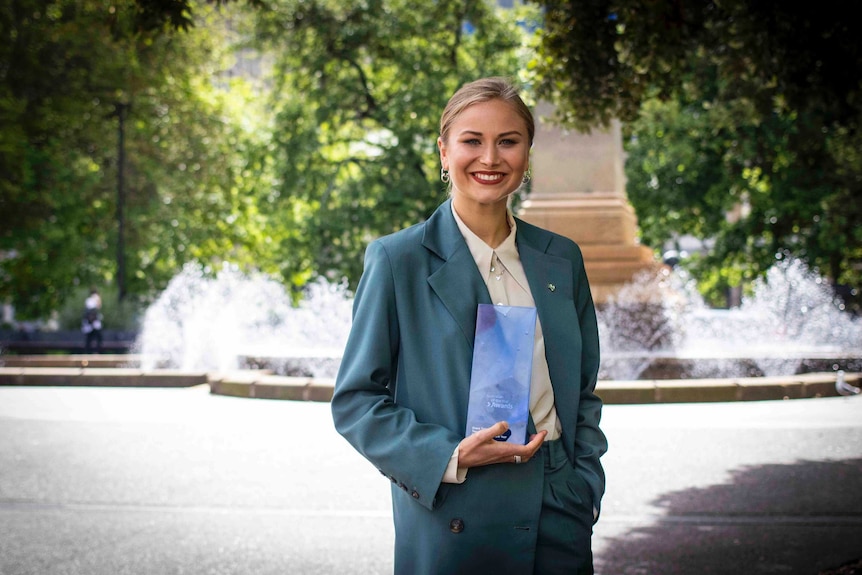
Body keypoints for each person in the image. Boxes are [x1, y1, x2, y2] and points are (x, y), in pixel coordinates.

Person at [331, 77, 607, 574]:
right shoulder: (398, 260)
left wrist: (584, 485)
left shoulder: (561, 259)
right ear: (443, 151)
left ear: (527, 153)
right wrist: (448, 456)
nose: (490, 158)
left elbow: (583, 389)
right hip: (454, 512)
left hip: (558, 508)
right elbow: (356, 402)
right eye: (472, 141)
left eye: (508, 141)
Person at [81, 287, 103, 353]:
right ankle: (90, 352)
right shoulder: (91, 300)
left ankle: (96, 352)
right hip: (89, 324)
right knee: (90, 339)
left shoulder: (91, 300)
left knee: (97, 338)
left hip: (94, 323)